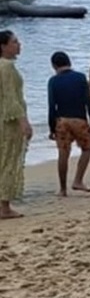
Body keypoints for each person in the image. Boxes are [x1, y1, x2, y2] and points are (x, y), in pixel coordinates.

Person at [46, 51, 90, 196]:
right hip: (79, 120)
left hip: (62, 121)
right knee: (87, 149)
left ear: (54, 65)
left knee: (63, 153)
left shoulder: (53, 81)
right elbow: (88, 102)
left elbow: (52, 107)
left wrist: (51, 128)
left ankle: (63, 189)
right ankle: (78, 180)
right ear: (69, 62)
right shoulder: (80, 78)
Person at [0, 30, 33, 219]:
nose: (18, 44)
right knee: (9, 160)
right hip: (9, 122)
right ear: (3, 46)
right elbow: (12, 99)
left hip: (3, 119)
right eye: (14, 42)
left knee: (3, 159)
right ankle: (4, 206)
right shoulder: (6, 68)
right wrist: (24, 122)